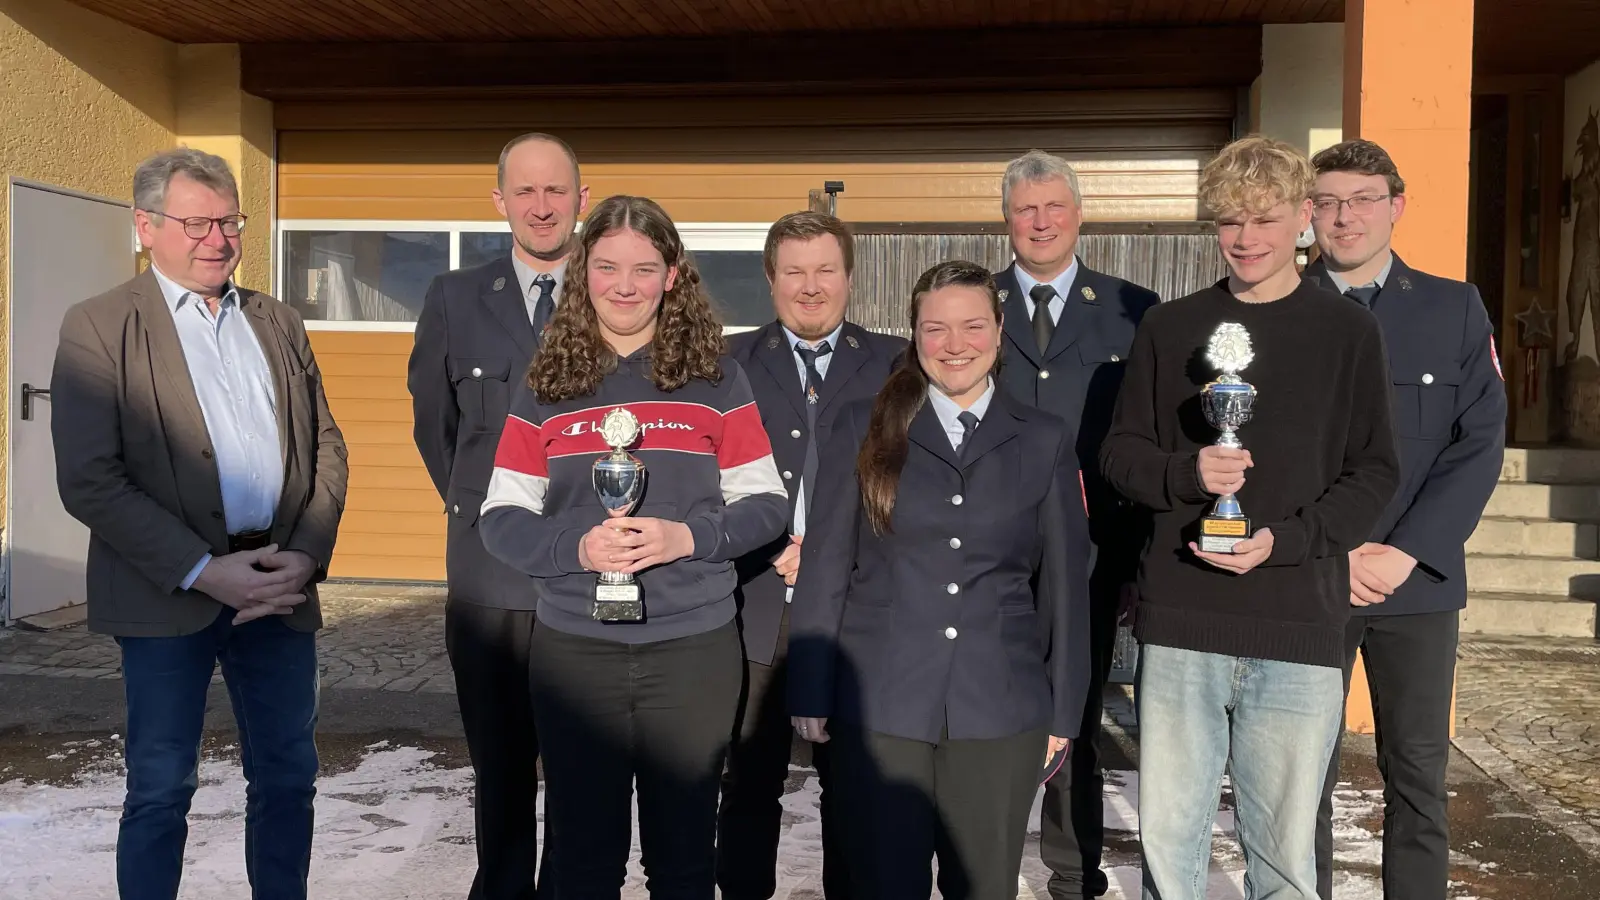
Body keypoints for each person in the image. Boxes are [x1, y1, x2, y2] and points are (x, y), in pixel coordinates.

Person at [1099, 135, 1399, 900]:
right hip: (1183, 621)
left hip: (1298, 620)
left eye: (1264, 219)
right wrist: (1185, 472)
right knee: (1170, 838)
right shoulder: (1170, 327)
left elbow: (1374, 473)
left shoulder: (1348, 333)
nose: (1246, 239)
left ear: (1303, 218)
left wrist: (1287, 542)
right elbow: (1120, 454)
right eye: (1230, 221)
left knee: (1284, 853)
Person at [51, 147, 348, 900]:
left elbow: (327, 446)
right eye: (197, 223)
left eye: (229, 221)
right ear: (146, 227)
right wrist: (202, 568)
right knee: (160, 788)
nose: (217, 238)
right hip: (168, 595)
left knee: (287, 777)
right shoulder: (99, 327)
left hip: (278, 590)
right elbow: (90, 478)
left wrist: (307, 554)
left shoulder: (276, 321)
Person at [478, 194, 789, 898]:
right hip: (575, 654)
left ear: (673, 275)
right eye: (609, 266)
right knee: (583, 862)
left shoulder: (717, 379)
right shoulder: (548, 384)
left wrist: (690, 537)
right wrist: (576, 548)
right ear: (582, 272)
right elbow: (501, 515)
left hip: (693, 653)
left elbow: (766, 504)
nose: (625, 285)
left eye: (645, 268)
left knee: (682, 862)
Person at [788, 259, 1092, 900]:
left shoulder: (1042, 438)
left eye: (973, 326)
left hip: (998, 708)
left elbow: (1064, 584)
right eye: (936, 329)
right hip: (881, 703)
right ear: (914, 334)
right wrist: (811, 688)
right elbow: (826, 566)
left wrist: (1064, 708)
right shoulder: (861, 427)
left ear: (1001, 328)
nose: (955, 345)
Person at [1306, 139, 1507, 900]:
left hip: (1417, 585)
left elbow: (1479, 443)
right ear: (1307, 214)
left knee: (1419, 776)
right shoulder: (1278, 306)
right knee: (1298, 777)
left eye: (1360, 199)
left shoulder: (1454, 307)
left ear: (1396, 205)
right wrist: (1337, 549)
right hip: (1311, 577)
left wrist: (1404, 551)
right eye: (1326, 202)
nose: (1343, 216)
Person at [407, 131, 587, 899]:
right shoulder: (454, 297)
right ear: (500, 202)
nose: (542, 206)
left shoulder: (617, 290)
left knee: (587, 763)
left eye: (556, 190)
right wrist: (490, 515)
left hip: (591, 570)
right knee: (502, 767)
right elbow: (433, 426)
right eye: (526, 191)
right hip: (490, 577)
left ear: (582, 197)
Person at [719, 211, 907, 900]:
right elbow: (702, 485)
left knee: (853, 793)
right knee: (746, 786)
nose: (810, 286)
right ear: (769, 281)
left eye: (825, 269)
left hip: (855, 618)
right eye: (793, 271)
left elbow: (914, 485)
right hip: (754, 610)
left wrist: (830, 551)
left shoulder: (897, 364)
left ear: (849, 278)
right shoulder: (725, 366)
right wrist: (770, 545)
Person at [992, 149, 1160, 900]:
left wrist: (1136, 565)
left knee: (1078, 721)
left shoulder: (1134, 309)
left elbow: (1149, 443)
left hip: (1090, 558)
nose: (1040, 221)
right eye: (1026, 209)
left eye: (1053, 206)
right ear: (1007, 219)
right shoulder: (974, 301)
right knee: (982, 722)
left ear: (1079, 214)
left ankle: (1072, 872)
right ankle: (980, 864)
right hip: (988, 555)